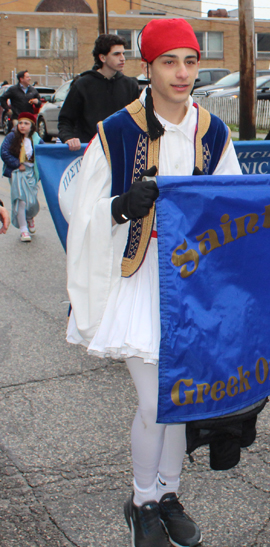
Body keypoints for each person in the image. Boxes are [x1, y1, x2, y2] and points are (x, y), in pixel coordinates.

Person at [65, 18, 241, 547]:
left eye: (190, 61)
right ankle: (141, 500)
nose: (183, 73)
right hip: (139, 279)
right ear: (149, 67)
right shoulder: (116, 130)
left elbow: (236, 203)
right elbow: (80, 208)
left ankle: (168, 493)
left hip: (191, 285)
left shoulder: (213, 131)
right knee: (154, 403)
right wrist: (120, 207)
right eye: (170, 62)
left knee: (180, 399)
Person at [58, 34, 140, 151]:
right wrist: (69, 138)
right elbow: (65, 120)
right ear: (102, 58)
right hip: (89, 152)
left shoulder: (130, 85)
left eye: (123, 53)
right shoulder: (82, 84)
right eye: (116, 54)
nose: (123, 58)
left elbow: (137, 121)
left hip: (121, 152)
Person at [1, 112, 43, 242]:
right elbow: (4, 152)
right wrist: (17, 164)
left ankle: (29, 217)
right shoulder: (12, 137)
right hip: (17, 173)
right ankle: (23, 229)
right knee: (20, 200)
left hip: (31, 173)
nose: (22, 126)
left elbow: (45, 154)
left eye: (26, 123)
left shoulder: (36, 139)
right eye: (20, 123)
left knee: (31, 201)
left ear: (32, 126)